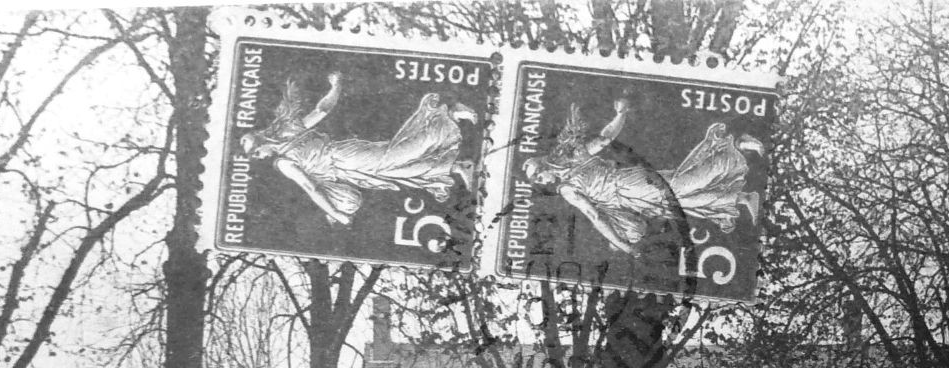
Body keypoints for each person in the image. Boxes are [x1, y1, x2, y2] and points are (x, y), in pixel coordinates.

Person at [521, 100, 764, 256]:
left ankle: (735, 145)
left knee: (683, 186)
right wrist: (621, 113)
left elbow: (604, 141)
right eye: (537, 181)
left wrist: (621, 114)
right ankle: (743, 198)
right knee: (685, 200)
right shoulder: (570, 173)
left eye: (539, 175)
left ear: (544, 164)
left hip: (628, 185)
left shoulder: (570, 171)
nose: (541, 181)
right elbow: (604, 141)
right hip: (629, 199)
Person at [241, 72, 478, 227]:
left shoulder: (284, 157)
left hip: (344, 156)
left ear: (262, 144)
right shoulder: (288, 138)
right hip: (346, 171)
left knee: (397, 156)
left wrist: (337, 215)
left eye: (257, 154)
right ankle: (458, 167)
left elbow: (311, 187)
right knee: (398, 172)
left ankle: (447, 113)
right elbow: (322, 111)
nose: (261, 158)